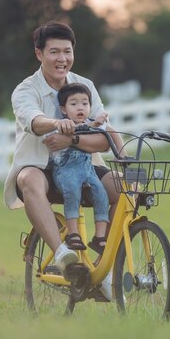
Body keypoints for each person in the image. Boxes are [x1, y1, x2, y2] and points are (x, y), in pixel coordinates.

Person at [3, 21, 123, 295]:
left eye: (67, 51)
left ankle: (104, 267)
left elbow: (104, 138)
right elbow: (34, 121)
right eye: (54, 52)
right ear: (39, 54)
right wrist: (57, 125)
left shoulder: (85, 86)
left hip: (84, 168)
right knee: (28, 177)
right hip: (41, 169)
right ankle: (63, 255)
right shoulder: (25, 90)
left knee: (125, 186)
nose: (62, 59)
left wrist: (72, 139)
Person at [49, 82, 124, 254]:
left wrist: (122, 156)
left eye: (85, 103)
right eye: (73, 104)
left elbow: (111, 133)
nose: (80, 107)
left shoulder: (90, 123)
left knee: (101, 194)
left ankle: (99, 237)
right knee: (72, 192)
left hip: (87, 170)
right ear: (64, 109)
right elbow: (78, 129)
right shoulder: (64, 124)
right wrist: (93, 125)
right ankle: (73, 233)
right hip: (66, 169)